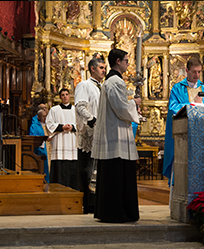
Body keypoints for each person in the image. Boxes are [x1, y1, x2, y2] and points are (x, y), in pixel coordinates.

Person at [91, 49, 141, 223]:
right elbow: (121, 108)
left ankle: (111, 211)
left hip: (115, 133)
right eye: (126, 61)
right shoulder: (114, 82)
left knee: (113, 175)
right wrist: (134, 103)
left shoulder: (112, 81)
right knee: (117, 176)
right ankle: (116, 212)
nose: (128, 64)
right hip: (116, 136)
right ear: (118, 61)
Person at [163, 57, 204, 194]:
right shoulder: (177, 88)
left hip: (202, 136)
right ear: (187, 70)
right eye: (194, 72)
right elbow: (173, 108)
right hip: (184, 136)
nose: (197, 75)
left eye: (199, 72)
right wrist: (193, 104)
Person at [74, 58, 106, 214]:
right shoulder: (84, 85)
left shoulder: (103, 87)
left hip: (102, 134)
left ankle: (99, 202)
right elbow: (80, 106)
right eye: (101, 67)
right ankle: (88, 204)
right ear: (92, 69)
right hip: (89, 134)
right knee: (88, 169)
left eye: (105, 67)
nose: (104, 70)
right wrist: (92, 120)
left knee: (98, 170)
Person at [46, 88, 78, 190]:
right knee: (60, 167)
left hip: (72, 142)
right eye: (63, 95)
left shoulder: (75, 110)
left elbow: (81, 125)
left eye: (66, 94)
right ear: (60, 97)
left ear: (69, 96)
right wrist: (61, 127)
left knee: (72, 167)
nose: (65, 96)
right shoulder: (54, 110)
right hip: (59, 142)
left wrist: (73, 127)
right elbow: (49, 124)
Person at [28, 108, 50, 183]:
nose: (45, 118)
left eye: (46, 116)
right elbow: (33, 138)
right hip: (41, 149)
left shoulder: (49, 124)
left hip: (50, 146)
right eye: (43, 116)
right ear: (38, 117)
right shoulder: (34, 125)